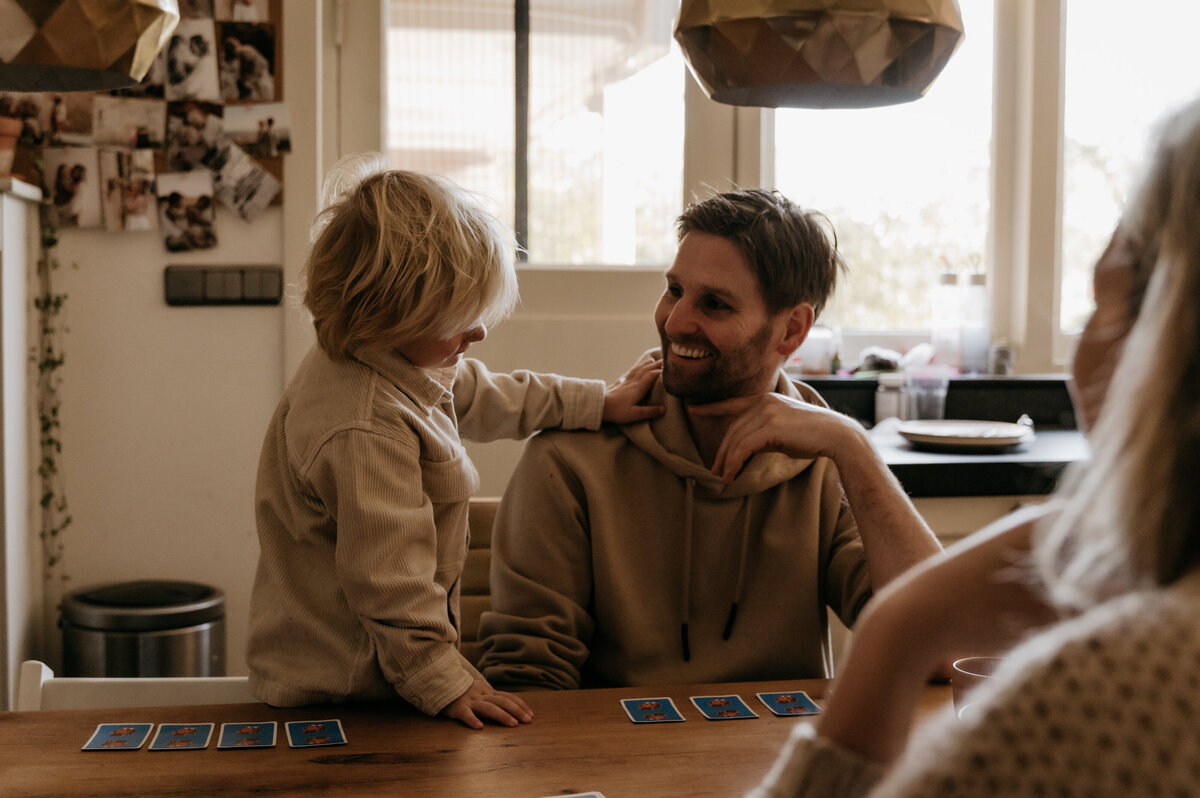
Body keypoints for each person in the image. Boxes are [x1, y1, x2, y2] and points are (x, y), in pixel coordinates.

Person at [747, 96, 1200, 798]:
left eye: (1094, 308)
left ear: (1163, 343)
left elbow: (928, 641)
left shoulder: (1105, 696)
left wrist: (900, 627)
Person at [246, 153, 664, 730]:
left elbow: (480, 393)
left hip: (381, 675)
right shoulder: (364, 426)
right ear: (387, 316)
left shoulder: (388, 358)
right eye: (459, 319)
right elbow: (389, 581)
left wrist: (597, 401)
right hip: (344, 695)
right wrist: (445, 680)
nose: (480, 331)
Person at [477, 188, 943, 690]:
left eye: (715, 304)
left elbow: (939, 650)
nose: (674, 322)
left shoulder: (827, 460)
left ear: (791, 330)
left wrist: (854, 446)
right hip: (618, 760)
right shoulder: (569, 459)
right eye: (674, 290)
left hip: (784, 761)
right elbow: (527, 684)